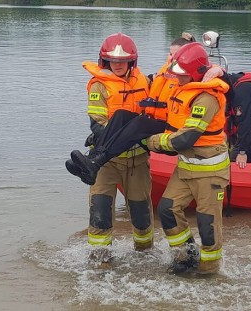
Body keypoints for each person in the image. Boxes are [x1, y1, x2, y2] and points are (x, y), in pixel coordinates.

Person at [69, 32, 154, 266]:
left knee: (141, 214)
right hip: (105, 162)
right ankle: (99, 261)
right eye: (113, 61)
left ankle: (145, 255)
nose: (117, 65)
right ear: (105, 61)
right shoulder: (99, 85)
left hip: (137, 161)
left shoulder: (145, 82)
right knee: (100, 211)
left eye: (122, 61)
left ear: (131, 62)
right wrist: (125, 135)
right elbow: (97, 123)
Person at [144, 42, 230, 274]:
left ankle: (209, 270)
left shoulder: (207, 99)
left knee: (208, 224)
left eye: (182, 75)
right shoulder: (182, 90)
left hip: (210, 172)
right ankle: (186, 256)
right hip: (186, 168)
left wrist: (150, 141)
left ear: (195, 74)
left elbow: (186, 138)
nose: (178, 79)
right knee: (167, 209)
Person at [67, 32, 197, 184]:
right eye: (169, 54)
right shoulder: (161, 75)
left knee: (140, 122)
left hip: (170, 129)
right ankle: (92, 160)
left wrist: (216, 70)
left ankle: (96, 161)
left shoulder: (190, 77)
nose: (171, 58)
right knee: (121, 115)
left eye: (176, 55)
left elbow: (209, 73)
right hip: (154, 123)